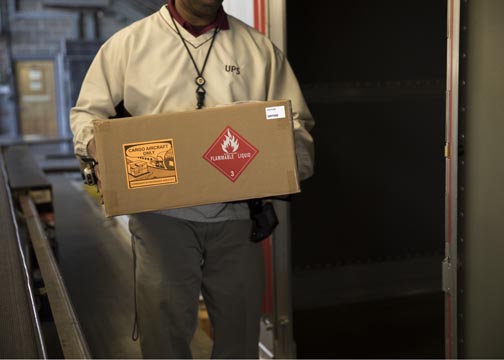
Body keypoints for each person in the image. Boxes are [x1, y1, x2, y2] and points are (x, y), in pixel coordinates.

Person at [69, 0, 315, 358]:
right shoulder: (129, 45)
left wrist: (284, 159)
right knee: (164, 332)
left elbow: (295, 126)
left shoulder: (259, 50)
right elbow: (88, 115)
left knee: (240, 332)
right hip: (161, 218)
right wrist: (99, 147)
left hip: (237, 218)